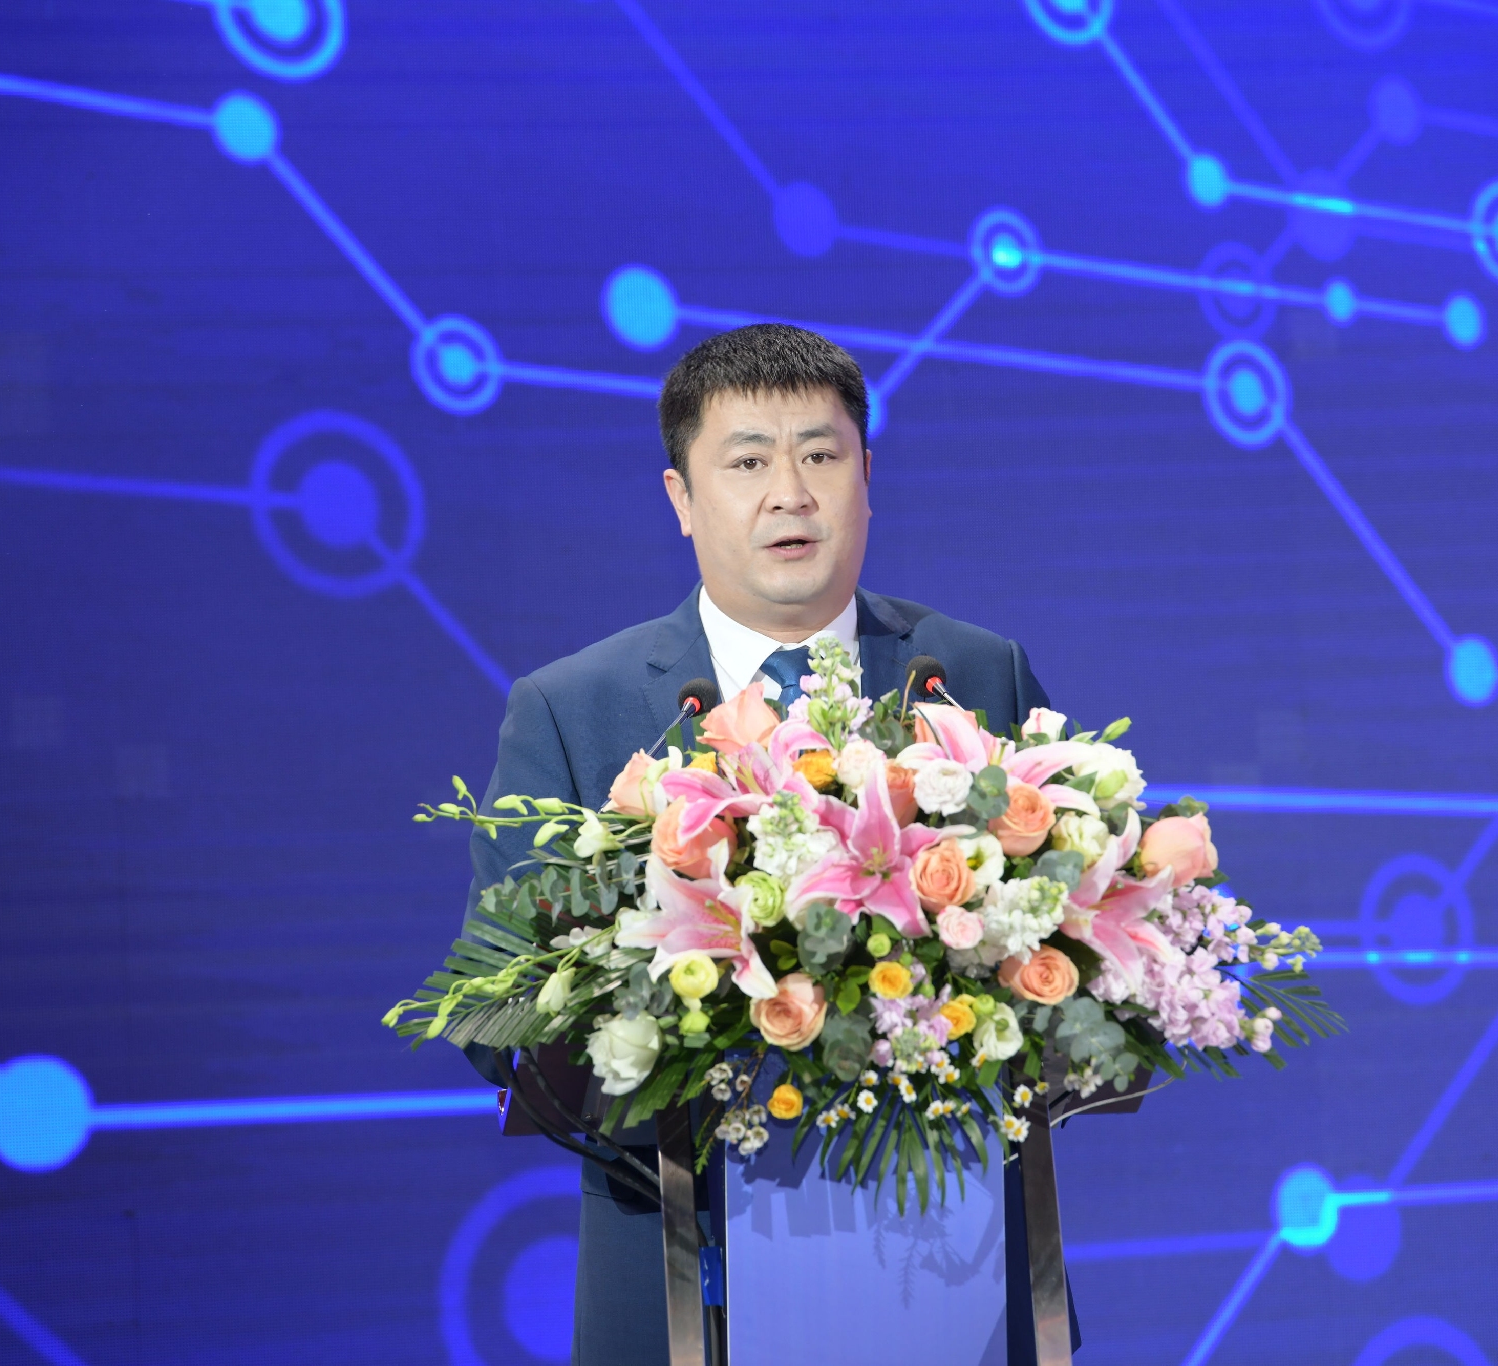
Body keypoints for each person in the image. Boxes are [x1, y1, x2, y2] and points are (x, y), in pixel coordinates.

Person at [461, 323, 1077, 1365]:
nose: (790, 494)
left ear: (867, 477)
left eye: (820, 456)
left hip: (955, 1266)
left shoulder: (971, 673)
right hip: (677, 1281)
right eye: (747, 463)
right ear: (680, 498)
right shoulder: (574, 709)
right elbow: (494, 1010)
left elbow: (1077, 932)